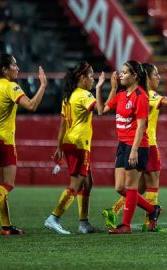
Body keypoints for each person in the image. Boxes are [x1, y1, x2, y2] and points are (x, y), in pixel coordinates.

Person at [0, 54, 47, 236]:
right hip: (4, 141)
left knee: (0, 185)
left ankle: (6, 226)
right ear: (5, 69)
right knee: (8, 185)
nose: (17, 68)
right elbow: (31, 106)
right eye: (14, 65)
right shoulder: (12, 86)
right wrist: (43, 85)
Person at [103, 63, 167, 232]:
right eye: (156, 75)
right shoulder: (149, 95)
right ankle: (150, 223)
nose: (158, 78)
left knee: (136, 187)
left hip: (136, 144)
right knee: (150, 185)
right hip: (147, 145)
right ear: (147, 77)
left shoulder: (141, 94)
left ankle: (115, 210)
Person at [44, 61, 104, 235]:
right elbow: (100, 109)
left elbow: (62, 124)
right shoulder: (85, 95)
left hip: (70, 142)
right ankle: (54, 217)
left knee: (88, 182)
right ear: (82, 78)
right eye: (91, 76)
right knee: (76, 184)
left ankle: (84, 223)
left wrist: (59, 147)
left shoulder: (68, 96)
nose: (93, 80)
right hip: (79, 144)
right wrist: (102, 89)